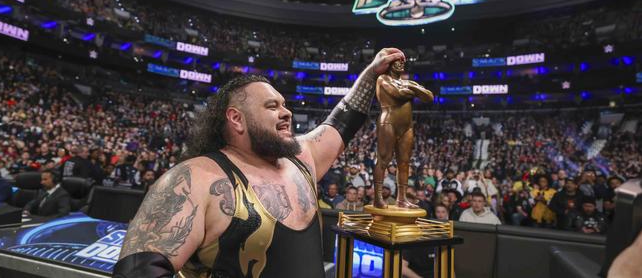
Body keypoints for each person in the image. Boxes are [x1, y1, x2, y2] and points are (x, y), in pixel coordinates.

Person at [114, 48, 405, 277]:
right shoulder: (196, 178)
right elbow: (137, 272)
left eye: (284, 104)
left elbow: (342, 122)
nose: (286, 112)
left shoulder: (301, 159)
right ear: (236, 119)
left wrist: (370, 74)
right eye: (272, 106)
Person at [374, 59, 433, 208]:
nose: (401, 64)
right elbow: (398, 94)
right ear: (389, 64)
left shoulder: (409, 83)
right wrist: (414, 89)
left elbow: (430, 97)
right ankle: (378, 197)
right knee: (383, 160)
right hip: (388, 122)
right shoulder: (382, 79)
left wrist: (412, 87)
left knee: (404, 163)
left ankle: (402, 198)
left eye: (402, 62)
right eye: (397, 62)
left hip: (407, 126)